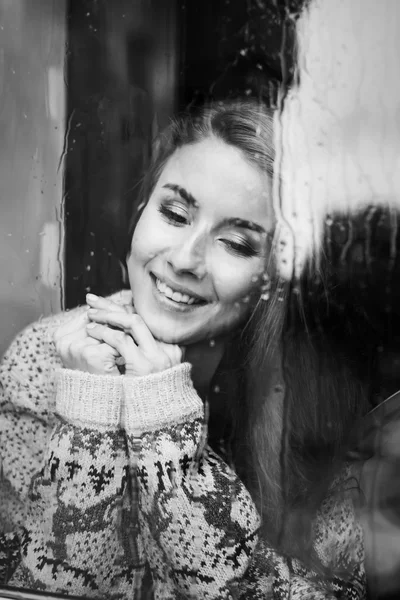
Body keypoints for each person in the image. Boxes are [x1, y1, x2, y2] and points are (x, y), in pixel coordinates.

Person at [0, 100, 366, 599]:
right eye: (174, 213)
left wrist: (168, 435)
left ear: (276, 275)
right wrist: (89, 412)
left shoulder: (318, 399)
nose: (185, 259)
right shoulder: (46, 358)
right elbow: (33, 582)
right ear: (139, 211)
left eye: (237, 244)